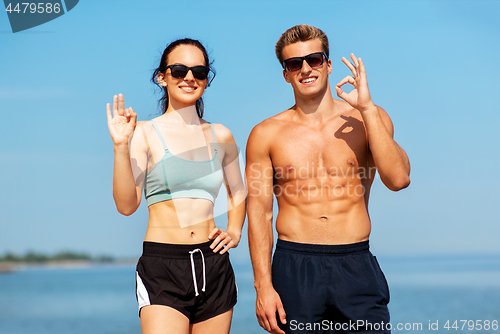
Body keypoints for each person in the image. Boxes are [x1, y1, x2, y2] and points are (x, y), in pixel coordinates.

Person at [246, 24, 411, 334]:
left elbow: (399, 178)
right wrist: (263, 288)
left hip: (355, 264)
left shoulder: (367, 119)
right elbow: (259, 213)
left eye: (315, 59)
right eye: (295, 63)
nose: (306, 69)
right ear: (286, 73)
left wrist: (367, 108)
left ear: (329, 64)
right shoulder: (265, 134)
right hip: (295, 268)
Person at [106, 38, 246, 334]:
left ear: (207, 79)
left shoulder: (221, 134)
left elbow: (238, 191)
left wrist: (235, 230)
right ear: (162, 77)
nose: (189, 77)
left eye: (199, 71)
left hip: (214, 263)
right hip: (163, 266)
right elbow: (126, 206)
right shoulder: (144, 132)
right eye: (179, 70)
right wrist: (121, 146)